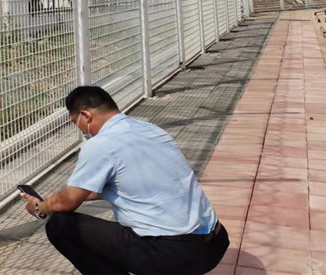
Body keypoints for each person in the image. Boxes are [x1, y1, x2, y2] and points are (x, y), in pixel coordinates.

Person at [20, 86, 228, 275]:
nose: (81, 130)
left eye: (76, 123)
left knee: (60, 225)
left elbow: (67, 203)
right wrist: (56, 198)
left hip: (172, 254)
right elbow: (122, 185)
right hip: (215, 244)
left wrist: (40, 207)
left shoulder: (101, 144)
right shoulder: (151, 130)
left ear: (86, 116)